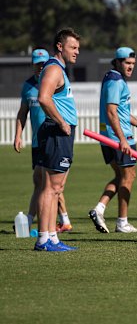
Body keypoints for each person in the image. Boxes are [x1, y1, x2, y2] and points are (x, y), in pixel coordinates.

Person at [88, 47, 137, 233]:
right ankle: (122, 222)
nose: (131, 67)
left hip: (109, 136)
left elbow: (121, 112)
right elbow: (111, 112)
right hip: (118, 137)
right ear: (117, 62)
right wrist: (123, 139)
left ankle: (99, 209)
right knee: (129, 176)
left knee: (121, 176)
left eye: (133, 64)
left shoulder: (113, 78)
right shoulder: (116, 81)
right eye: (127, 63)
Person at [13, 48, 73, 234]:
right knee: (44, 183)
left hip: (53, 137)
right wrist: (18, 135)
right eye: (37, 64)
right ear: (33, 65)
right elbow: (22, 113)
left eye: (43, 63)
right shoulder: (28, 86)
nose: (40, 67)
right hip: (39, 141)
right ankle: (48, 227)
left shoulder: (53, 80)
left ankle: (50, 224)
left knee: (49, 183)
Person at [35, 28, 81, 252]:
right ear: (60, 47)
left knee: (57, 187)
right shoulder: (54, 69)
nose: (77, 52)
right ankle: (44, 239)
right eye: (73, 47)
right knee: (50, 188)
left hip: (60, 133)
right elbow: (43, 98)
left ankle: (52, 237)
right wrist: (62, 123)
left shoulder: (60, 69)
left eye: (78, 48)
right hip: (55, 131)